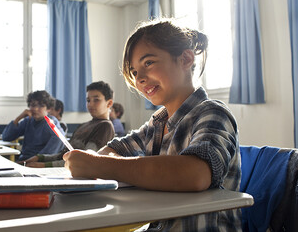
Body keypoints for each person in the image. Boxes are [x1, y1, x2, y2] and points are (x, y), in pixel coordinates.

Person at [63, 19, 241, 231]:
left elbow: (195, 174)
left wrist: (101, 165)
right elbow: (112, 149)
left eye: (148, 63)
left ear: (185, 59)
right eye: (135, 72)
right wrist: (97, 162)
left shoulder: (212, 112)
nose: (140, 79)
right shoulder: (157, 122)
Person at [24, 81, 115, 168]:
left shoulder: (105, 126)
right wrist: (40, 158)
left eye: (96, 100)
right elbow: (64, 155)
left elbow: (84, 159)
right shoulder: (83, 125)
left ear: (109, 103)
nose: (90, 104)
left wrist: (44, 165)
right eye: (88, 100)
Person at [2, 90, 65, 161]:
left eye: (41, 106)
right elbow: (6, 137)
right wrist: (18, 118)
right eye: (33, 105)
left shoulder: (51, 122)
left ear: (49, 109)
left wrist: (35, 160)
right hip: (24, 159)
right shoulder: (28, 120)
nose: (35, 109)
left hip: (39, 163)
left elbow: (58, 141)